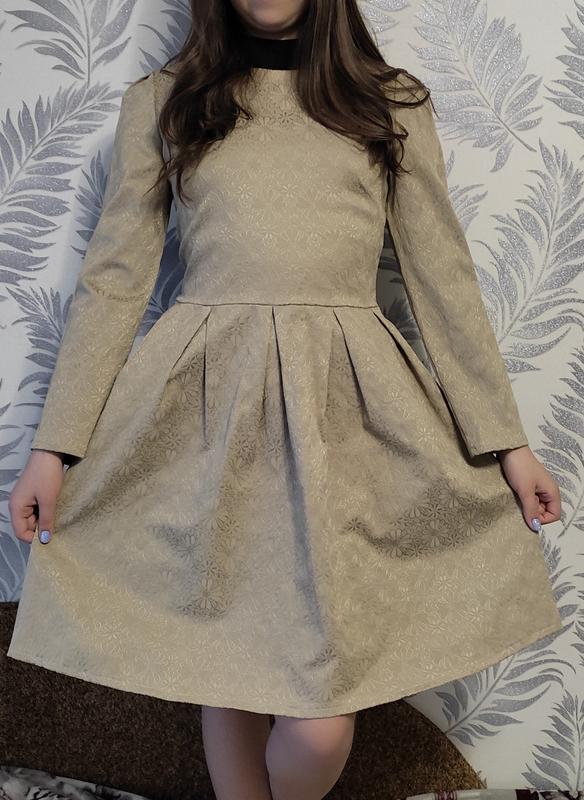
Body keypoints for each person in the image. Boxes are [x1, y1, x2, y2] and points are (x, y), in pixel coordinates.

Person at [8, 1, 563, 798]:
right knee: (229, 661)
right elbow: (114, 280)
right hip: (207, 418)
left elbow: (444, 282)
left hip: (345, 421)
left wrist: (508, 444)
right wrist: (53, 448)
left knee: (319, 719)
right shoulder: (165, 101)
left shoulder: (388, 104)